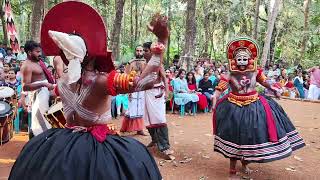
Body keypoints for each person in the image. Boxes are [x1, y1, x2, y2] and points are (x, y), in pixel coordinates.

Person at [10, 2, 167, 180]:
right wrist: (161, 45)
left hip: (63, 145)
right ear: (91, 54)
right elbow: (145, 82)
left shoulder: (63, 82)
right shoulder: (101, 81)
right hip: (98, 149)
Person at [211, 37, 305, 179]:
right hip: (233, 106)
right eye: (239, 59)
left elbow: (265, 82)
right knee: (234, 136)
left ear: (250, 59)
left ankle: (245, 163)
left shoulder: (256, 71)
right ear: (233, 59)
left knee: (251, 136)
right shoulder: (229, 73)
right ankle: (232, 169)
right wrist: (215, 97)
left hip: (254, 105)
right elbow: (220, 87)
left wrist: (274, 89)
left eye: (244, 59)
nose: (241, 62)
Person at [143, 41, 174, 159]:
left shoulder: (157, 64)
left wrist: (166, 92)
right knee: (148, 119)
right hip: (147, 93)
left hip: (157, 94)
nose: (144, 53)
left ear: (151, 52)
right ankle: (155, 140)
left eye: (146, 51)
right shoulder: (145, 64)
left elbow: (165, 79)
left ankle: (165, 147)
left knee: (159, 119)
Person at [19, 40, 55, 138]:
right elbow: (25, 86)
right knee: (39, 122)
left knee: (46, 119)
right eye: (37, 52)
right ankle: (38, 143)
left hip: (44, 93)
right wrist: (43, 84)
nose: (40, 54)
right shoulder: (27, 66)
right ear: (30, 52)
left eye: (40, 51)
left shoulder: (39, 62)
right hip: (38, 96)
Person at [121, 45, 147, 135]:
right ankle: (125, 128)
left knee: (140, 108)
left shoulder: (145, 62)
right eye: (137, 50)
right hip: (132, 87)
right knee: (131, 107)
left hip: (142, 87)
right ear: (135, 51)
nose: (139, 52)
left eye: (140, 51)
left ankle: (140, 129)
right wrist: (128, 89)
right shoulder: (130, 62)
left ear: (143, 52)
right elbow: (126, 75)